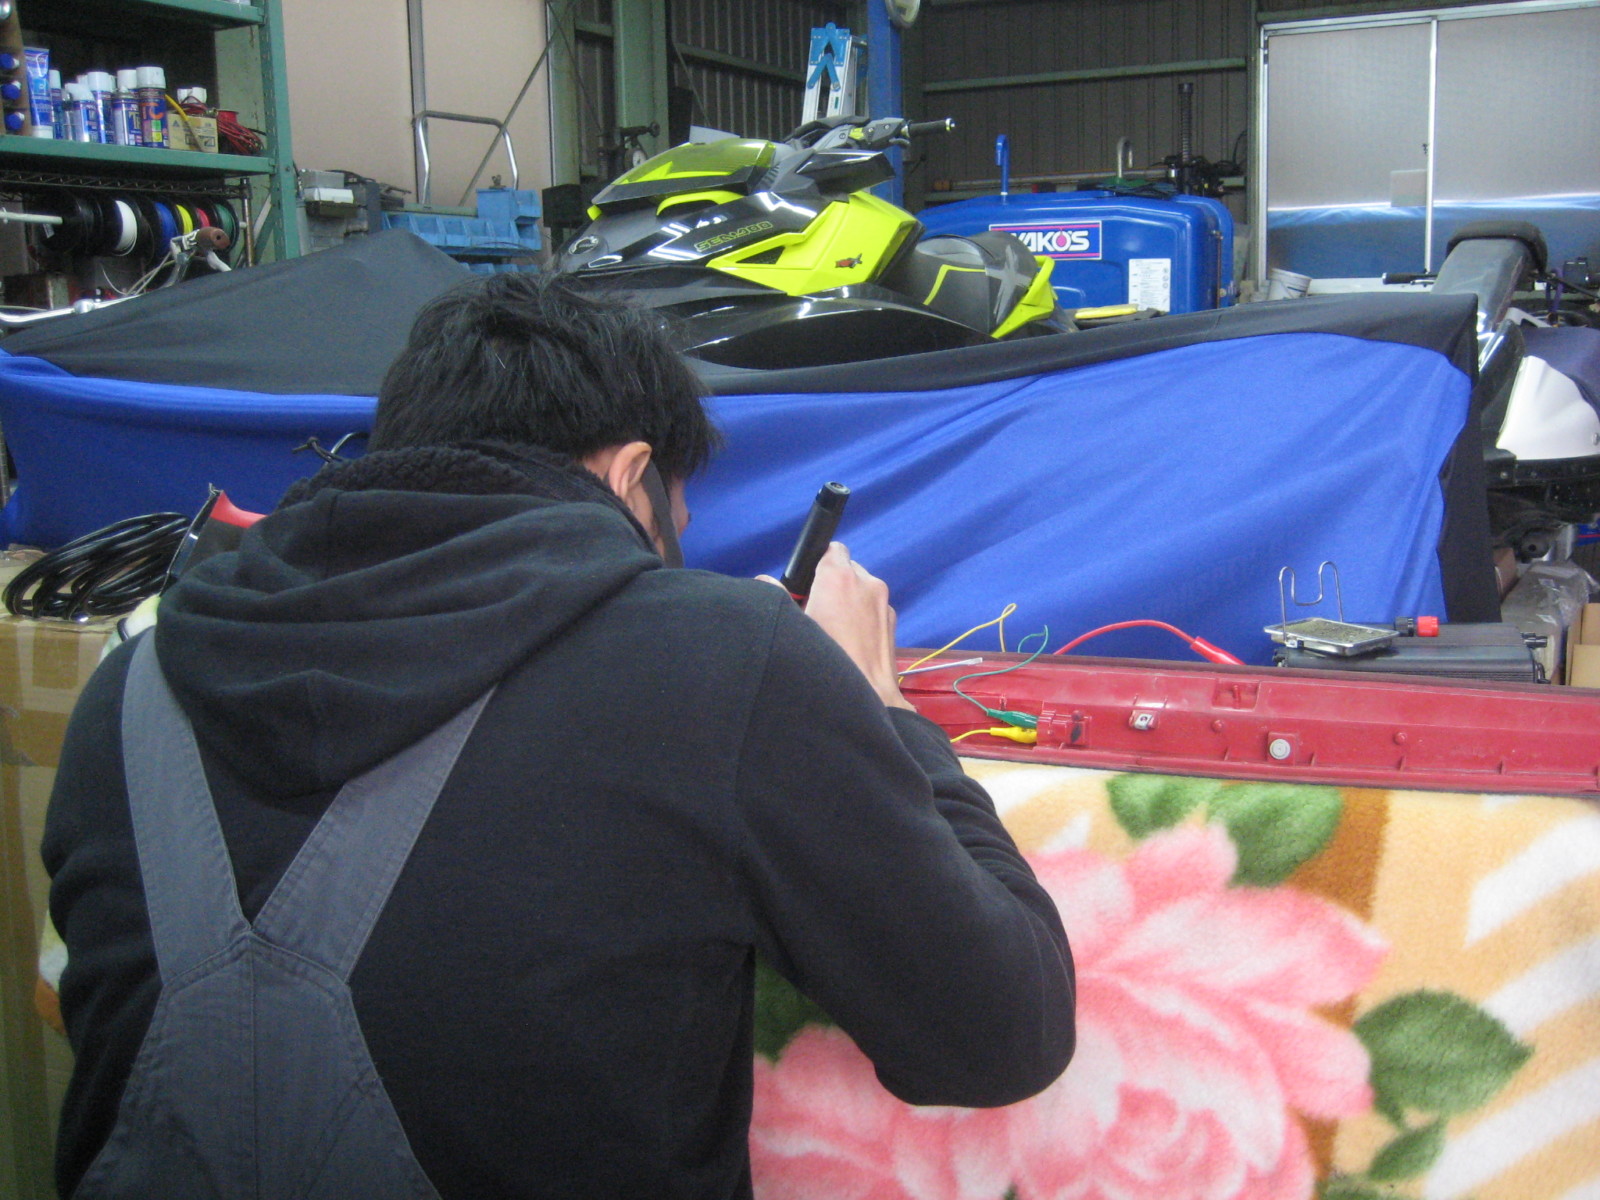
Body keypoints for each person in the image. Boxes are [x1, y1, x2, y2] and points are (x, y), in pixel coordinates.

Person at [42, 272, 1074, 1199]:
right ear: (631, 477)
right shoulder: (724, 664)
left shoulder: (132, 689)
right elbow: (999, 1034)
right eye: (674, 517)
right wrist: (881, 709)